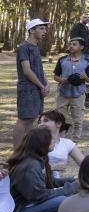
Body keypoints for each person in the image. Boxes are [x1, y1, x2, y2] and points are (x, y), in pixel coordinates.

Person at [2, 127, 79, 212]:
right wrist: (72, 187)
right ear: (42, 143)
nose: (54, 141)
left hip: (24, 205)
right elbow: (40, 196)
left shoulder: (34, 159)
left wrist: (74, 181)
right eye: (51, 139)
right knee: (63, 200)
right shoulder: (30, 166)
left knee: (69, 194)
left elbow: (49, 182)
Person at [14, 19, 50, 149]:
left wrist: (47, 84)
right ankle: (16, 154)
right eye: (41, 28)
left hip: (37, 89)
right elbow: (27, 71)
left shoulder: (36, 47)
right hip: (27, 89)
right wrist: (41, 86)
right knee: (23, 120)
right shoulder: (24, 47)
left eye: (45, 29)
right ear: (31, 30)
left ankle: (26, 151)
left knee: (31, 119)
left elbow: (39, 69)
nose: (44, 31)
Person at [53, 37, 89, 139]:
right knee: (60, 120)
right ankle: (60, 140)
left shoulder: (87, 62)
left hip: (78, 95)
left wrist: (85, 78)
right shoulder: (62, 60)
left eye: (74, 44)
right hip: (62, 94)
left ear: (81, 47)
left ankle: (74, 142)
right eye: (70, 44)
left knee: (78, 120)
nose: (71, 46)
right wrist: (64, 80)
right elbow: (55, 76)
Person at [40, 110, 85, 180]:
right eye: (40, 122)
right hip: (39, 182)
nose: (41, 124)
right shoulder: (34, 141)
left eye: (45, 121)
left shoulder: (67, 143)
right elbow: (30, 166)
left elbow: (85, 164)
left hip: (58, 183)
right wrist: (54, 167)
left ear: (58, 124)